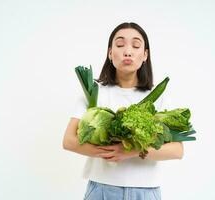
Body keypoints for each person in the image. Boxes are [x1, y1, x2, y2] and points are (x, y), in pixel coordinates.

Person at [63, 22, 184, 200]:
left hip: (146, 192)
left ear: (145, 55)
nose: (128, 51)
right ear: (110, 53)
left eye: (136, 46)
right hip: (102, 190)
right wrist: (110, 152)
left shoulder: (159, 97)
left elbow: (177, 150)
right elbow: (69, 141)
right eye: (120, 45)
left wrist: (131, 151)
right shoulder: (94, 93)